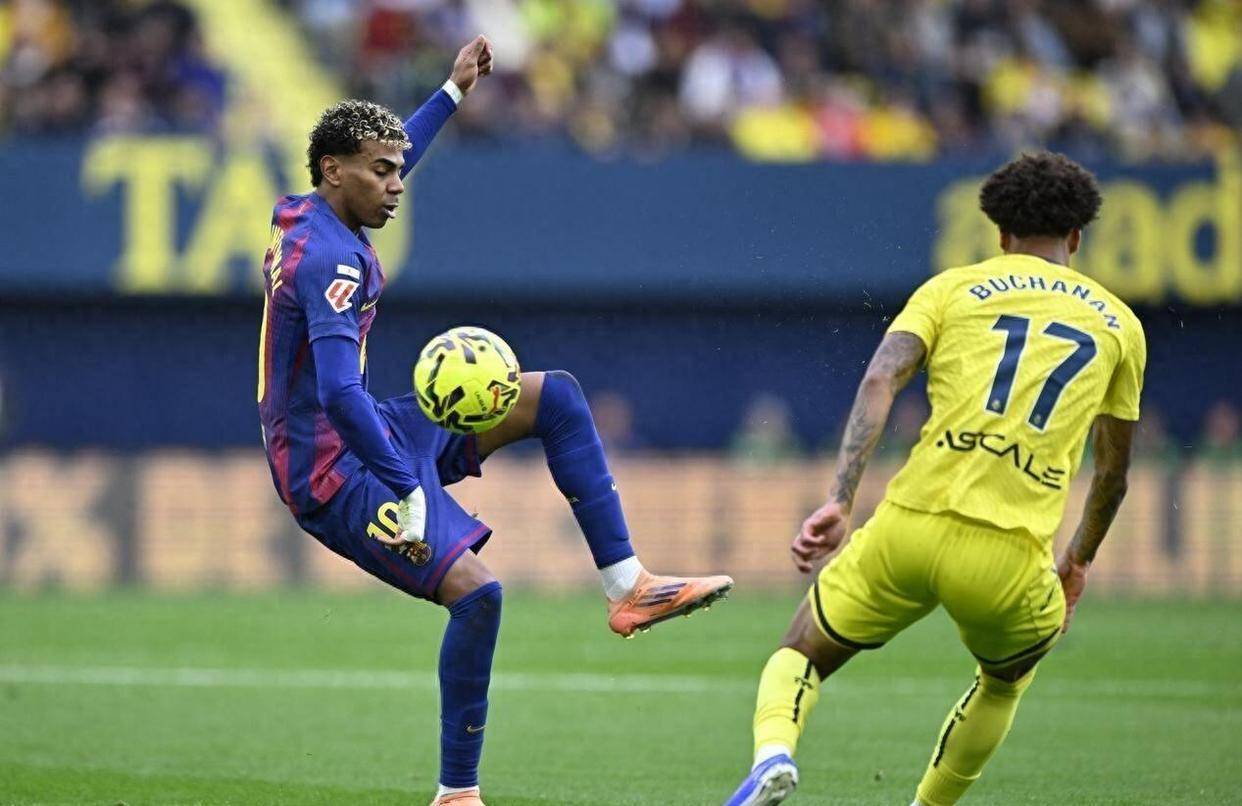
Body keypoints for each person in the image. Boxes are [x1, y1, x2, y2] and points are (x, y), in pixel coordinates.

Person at [255, 36, 733, 806]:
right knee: (478, 595)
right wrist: (406, 489)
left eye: (397, 168)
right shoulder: (332, 264)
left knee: (555, 397)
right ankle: (458, 794)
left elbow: (379, 157)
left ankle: (629, 585)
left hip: (367, 429)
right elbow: (339, 394)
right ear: (334, 170)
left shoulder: (306, 213)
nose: (397, 184)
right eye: (382, 172)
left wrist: (451, 92)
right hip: (331, 466)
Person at [724, 152, 1146, 806]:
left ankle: (773, 756)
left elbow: (880, 378)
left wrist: (840, 499)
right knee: (1005, 681)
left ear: (1000, 235)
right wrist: (1077, 561)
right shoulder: (1121, 327)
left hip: (912, 526)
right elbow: (1113, 472)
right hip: (1010, 553)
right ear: (1076, 237)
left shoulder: (952, 288)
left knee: (801, 650)